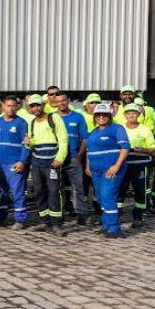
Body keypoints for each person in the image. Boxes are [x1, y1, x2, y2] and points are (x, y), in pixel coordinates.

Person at [25, 94, 68, 233]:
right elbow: (32, 144)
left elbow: (63, 139)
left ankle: (56, 223)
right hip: (37, 163)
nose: (35, 108)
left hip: (52, 162)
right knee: (38, 191)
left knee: (54, 191)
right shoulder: (31, 122)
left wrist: (59, 158)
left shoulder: (54, 118)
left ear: (43, 105)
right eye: (32, 106)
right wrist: (28, 143)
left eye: (38, 105)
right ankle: (45, 221)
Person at [85, 104, 130, 238]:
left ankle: (115, 229)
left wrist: (116, 166)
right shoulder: (93, 132)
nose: (101, 117)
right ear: (94, 117)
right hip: (95, 171)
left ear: (109, 116)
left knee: (107, 196)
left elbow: (125, 148)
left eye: (104, 115)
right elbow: (89, 151)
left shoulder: (117, 128)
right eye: (98, 115)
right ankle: (106, 226)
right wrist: (88, 166)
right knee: (100, 198)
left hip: (111, 170)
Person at [0, 96, 30, 229]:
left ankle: (20, 219)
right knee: (2, 191)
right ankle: (0, 216)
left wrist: (22, 161)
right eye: (8, 106)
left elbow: (26, 145)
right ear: (3, 106)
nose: (11, 108)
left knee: (17, 191)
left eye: (13, 106)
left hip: (14, 164)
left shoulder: (21, 123)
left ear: (17, 107)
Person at [54, 92, 89, 225]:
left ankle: (81, 213)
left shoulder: (78, 117)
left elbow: (84, 139)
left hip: (74, 158)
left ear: (68, 101)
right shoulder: (52, 117)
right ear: (54, 103)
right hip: (57, 159)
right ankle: (60, 213)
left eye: (63, 100)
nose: (61, 103)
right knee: (58, 188)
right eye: (58, 101)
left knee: (78, 187)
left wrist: (79, 156)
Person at [120, 103, 155, 228]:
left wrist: (143, 150)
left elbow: (153, 149)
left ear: (138, 115)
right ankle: (116, 215)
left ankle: (138, 217)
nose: (131, 115)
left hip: (141, 165)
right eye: (128, 113)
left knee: (140, 191)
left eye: (134, 113)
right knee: (120, 190)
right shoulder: (120, 128)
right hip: (123, 164)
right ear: (124, 115)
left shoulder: (145, 129)